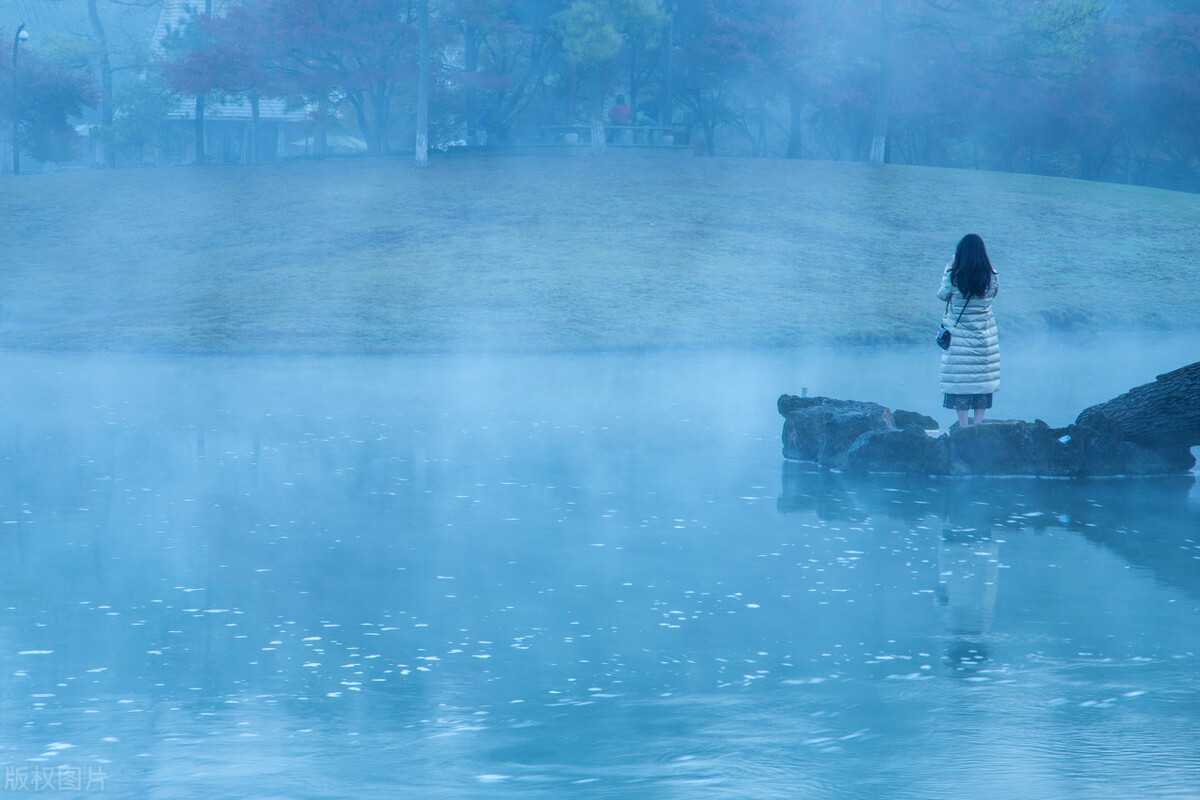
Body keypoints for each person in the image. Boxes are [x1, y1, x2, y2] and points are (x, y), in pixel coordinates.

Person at [938, 233, 1000, 428]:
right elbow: (994, 294)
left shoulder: (954, 277)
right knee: (982, 381)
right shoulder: (991, 277)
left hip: (960, 339)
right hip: (984, 337)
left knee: (961, 382)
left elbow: (942, 295)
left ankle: (964, 426)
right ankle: (978, 425)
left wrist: (949, 267)